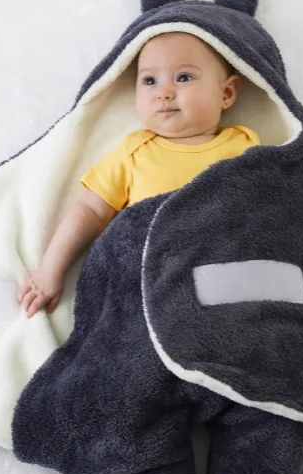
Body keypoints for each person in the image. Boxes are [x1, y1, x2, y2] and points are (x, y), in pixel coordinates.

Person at [16, 31, 259, 317]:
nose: (163, 92)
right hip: (153, 283)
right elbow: (91, 211)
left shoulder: (244, 146)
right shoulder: (133, 152)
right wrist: (51, 269)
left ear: (226, 93)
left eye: (183, 77)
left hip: (223, 278)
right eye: (149, 81)